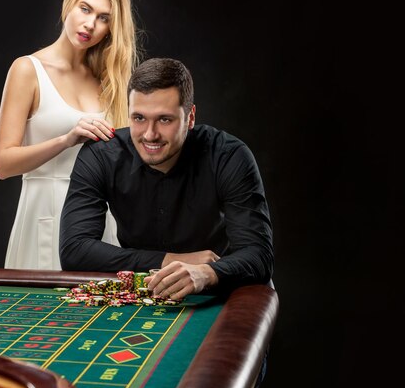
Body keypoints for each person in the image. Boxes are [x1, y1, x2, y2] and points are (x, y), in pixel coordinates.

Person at [60, 57, 274, 297]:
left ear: (190, 117)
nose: (150, 135)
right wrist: (169, 260)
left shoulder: (229, 155)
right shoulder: (100, 156)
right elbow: (74, 251)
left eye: (164, 119)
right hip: (145, 292)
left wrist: (206, 273)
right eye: (139, 118)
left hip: (217, 290)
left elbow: (259, 255)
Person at [0, 0, 139, 270]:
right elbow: (2, 164)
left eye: (104, 18)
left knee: (102, 316)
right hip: (44, 216)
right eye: (85, 9)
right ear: (69, 3)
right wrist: (66, 139)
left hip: (101, 221)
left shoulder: (109, 79)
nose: (90, 25)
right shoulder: (27, 69)